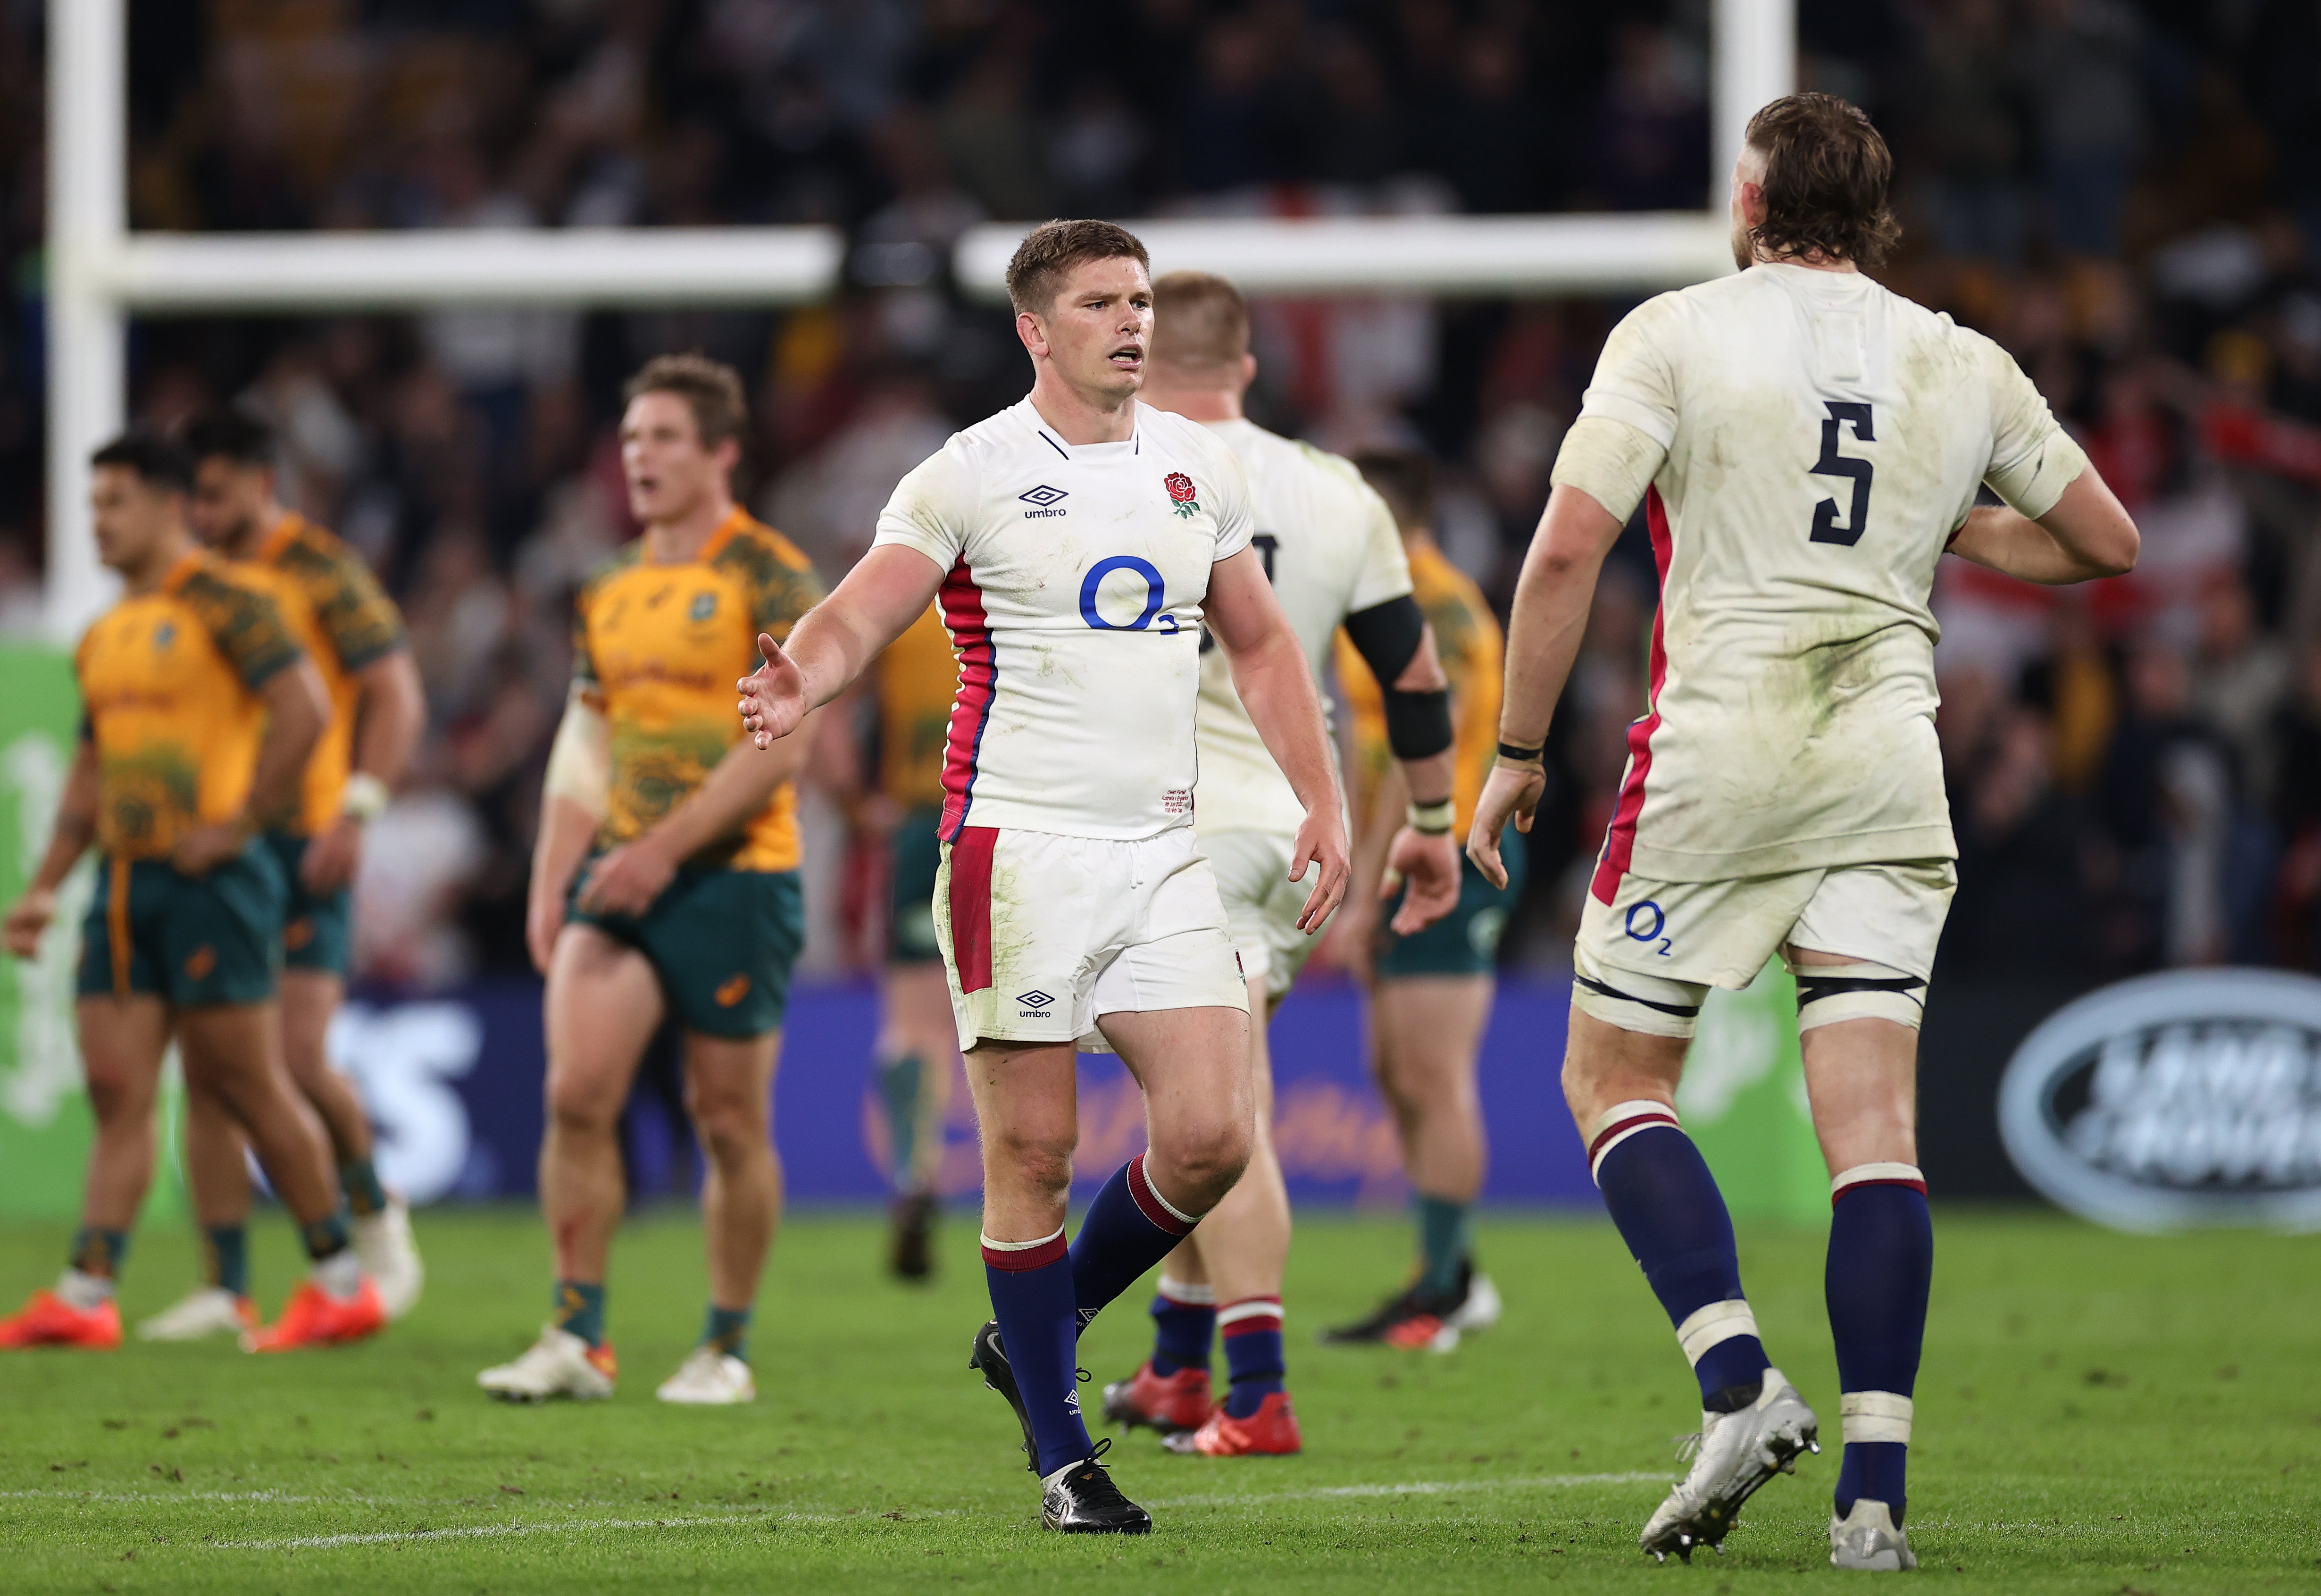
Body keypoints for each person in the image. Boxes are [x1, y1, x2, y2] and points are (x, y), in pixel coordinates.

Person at [1467, 93, 2139, 1570]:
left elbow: (1572, 540)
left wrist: (1516, 750)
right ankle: (1875, 1502)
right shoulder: (1960, 358)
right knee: (1875, 1138)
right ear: (1878, 211)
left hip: (1725, 744)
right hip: (1889, 757)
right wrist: (1961, 529)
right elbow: (2107, 542)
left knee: (1611, 1072)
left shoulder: (1676, 330)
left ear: (1753, 199)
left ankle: (1735, 1383)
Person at [736, 220, 1350, 1533]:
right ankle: (1068, 1463)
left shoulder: (1197, 471)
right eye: (1098, 305)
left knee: (1214, 1135)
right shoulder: (969, 475)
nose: (1130, 323)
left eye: (1137, 300)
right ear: (1034, 329)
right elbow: (864, 609)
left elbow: (1263, 650)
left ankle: (1042, 1322)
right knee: (1032, 1149)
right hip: (1016, 848)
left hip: (1162, 849)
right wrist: (805, 670)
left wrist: (1325, 798)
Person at [1098, 271, 1461, 1459]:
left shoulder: (1119, 465)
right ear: (1249, 366)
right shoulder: (1336, 489)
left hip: (1178, 828)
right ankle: (1179, 1365)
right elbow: (1411, 675)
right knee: (1186, 1104)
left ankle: (1255, 1394)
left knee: (1220, 1116)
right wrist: (1433, 819)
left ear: (1146, 362)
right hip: (1299, 830)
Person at [477, 354, 827, 1407]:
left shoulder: (771, 574)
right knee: (577, 1095)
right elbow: (587, 743)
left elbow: (786, 744)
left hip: (734, 879)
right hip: (618, 879)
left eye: (665, 437)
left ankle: (725, 1347)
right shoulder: (609, 587)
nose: (641, 457)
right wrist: (553, 879)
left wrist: (663, 851)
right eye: (631, 440)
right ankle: (578, 1334)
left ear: (722, 452)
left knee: (727, 1120)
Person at [0, 434, 387, 1353]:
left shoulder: (232, 603)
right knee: (114, 1082)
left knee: (245, 1081)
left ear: (171, 506)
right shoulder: (103, 633)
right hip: (127, 886)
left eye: (114, 503)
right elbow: (92, 771)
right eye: (93, 504)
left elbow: (309, 711)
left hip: (216, 881)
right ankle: (88, 1291)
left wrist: (244, 823)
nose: (97, 521)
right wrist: (46, 887)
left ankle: (339, 1279)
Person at [134, 409, 427, 1343]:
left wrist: (360, 806)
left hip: (304, 840)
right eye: (193, 495)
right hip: (224, 842)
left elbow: (395, 693)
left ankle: (377, 1218)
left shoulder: (320, 569)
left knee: (297, 1058)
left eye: (215, 493)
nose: (201, 510)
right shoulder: (194, 583)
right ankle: (226, 1286)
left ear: (265, 481)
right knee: (210, 1065)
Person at [1320, 448, 1515, 1354]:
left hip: (1450, 853)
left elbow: (1413, 747)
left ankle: (1440, 1289)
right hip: (1396, 856)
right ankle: (1450, 1272)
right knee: (1400, 1073)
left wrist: (1363, 893)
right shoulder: (1391, 603)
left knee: (1433, 1077)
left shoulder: (1432, 603)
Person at [859, 601, 962, 1278]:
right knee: (1036, 1015)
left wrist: (858, 801)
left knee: (915, 1024)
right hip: (1020, 826)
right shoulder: (1033, 581)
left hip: (925, 824)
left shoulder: (897, 603)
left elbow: (834, 711)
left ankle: (914, 1172)